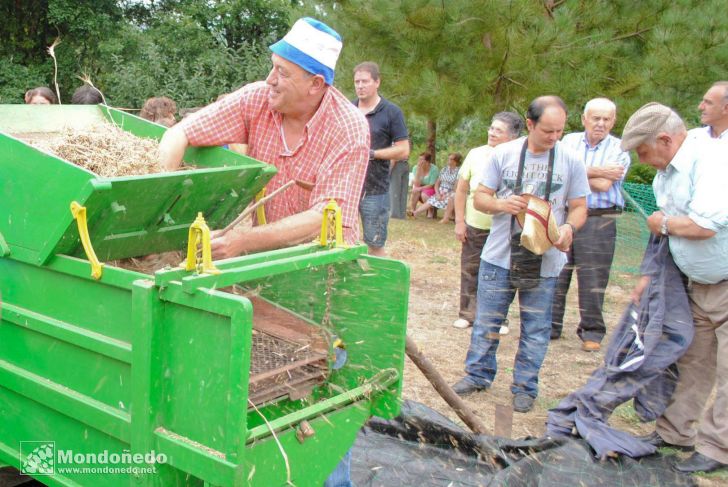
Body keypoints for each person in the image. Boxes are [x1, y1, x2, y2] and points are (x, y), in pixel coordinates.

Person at [159, 17, 369, 260]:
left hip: (323, 263)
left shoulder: (348, 128)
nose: (270, 79)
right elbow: (179, 133)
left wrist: (244, 240)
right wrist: (156, 205)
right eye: (273, 66)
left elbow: (325, 216)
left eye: (282, 72)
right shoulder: (257, 100)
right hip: (267, 259)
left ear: (315, 84)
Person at [451, 96, 589, 414]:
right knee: (487, 319)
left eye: (559, 131)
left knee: (536, 327)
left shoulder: (571, 161)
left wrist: (568, 228)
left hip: (547, 260)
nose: (554, 137)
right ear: (529, 124)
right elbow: (481, 197)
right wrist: (503, 204)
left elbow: (580, 207)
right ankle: (477, 375)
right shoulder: (503, 155)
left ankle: (525, 386)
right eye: (547, 131)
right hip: (499, 255)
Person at [622, 103, 728, 474]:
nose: (643, 160)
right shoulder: (666, 173)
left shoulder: (712, 163)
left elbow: (704, 226)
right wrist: (648, 275)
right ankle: (674, 433)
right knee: (691, 360)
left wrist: (663, 222)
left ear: (665, 140)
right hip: (699, 284)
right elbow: (664, 234)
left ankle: (717, 449)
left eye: (644, 152)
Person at [550, 98, 631, 352]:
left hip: (601, 218)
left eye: (607, 119)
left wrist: (578, 172)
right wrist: (598, 171)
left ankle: (591, 332)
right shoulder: (568, 141)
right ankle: (550, 325)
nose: (601, 123)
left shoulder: (620, 148)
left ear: (614, 121)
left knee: (594, 276)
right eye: (596, 118)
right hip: (567, 214)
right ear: (584, 119)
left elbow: (605, 185)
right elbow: (557, 172)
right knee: (557, 270)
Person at [452, 112, 524, 330]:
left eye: (498, 130)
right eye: (491, 128)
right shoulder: (476, 154)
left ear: (512, 136)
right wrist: (460, 221)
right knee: (470, 268)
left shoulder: (519, 157)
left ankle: (498, 318)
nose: (492, 133)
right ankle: (467, 313)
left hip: (505, 228)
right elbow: (461, 191)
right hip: (475, 224)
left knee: (503, 273)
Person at [353, 61, 409, 256]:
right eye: (357, 81)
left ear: (377, 82)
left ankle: (378, 283)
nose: (360, 86)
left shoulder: (391, 112)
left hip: (375, 190)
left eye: (365, 81)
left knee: (374, 243)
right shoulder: (348, 109)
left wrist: (373, 154)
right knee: (342, 241)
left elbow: (403, 150)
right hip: (346, 187)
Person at [411, 152, 461, 221]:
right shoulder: (444, 169)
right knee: (430, 201)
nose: (448, 160)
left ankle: (445, 219)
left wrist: (446, 195)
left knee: (450, 198)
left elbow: (456, 187)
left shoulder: (459, 172)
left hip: (451, 192)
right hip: (440, 191)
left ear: (456, 161)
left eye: (451, 159)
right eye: (448, 158)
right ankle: (414, 213)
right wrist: (437, 193)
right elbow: (437, 183)